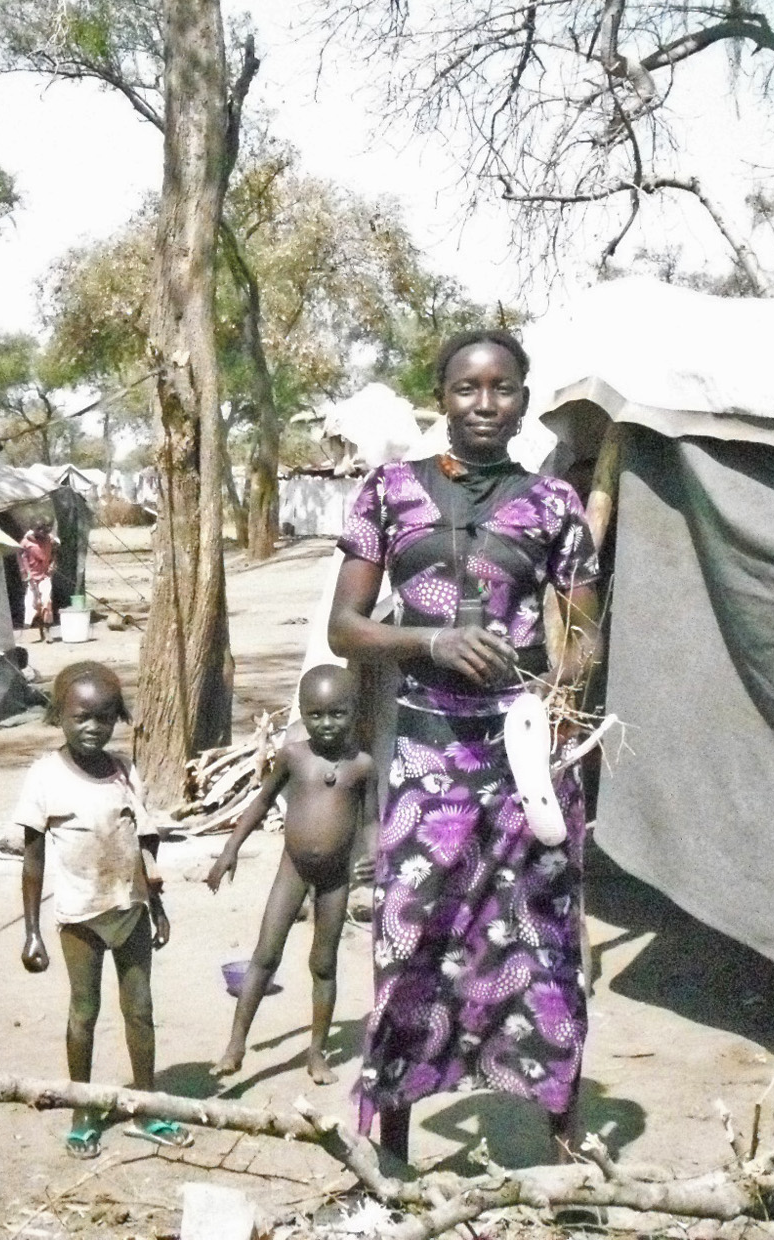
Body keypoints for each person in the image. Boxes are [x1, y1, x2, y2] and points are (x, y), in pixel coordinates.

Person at [327, 328, 600, 1164]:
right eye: (467, 388)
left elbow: (585, 634)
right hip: (426, 759)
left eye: (504, 388)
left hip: (524, 764)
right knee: (412, 942)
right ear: (440, 397)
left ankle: (562, 1157)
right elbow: (345, 628)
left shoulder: (554, 506)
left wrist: (558, 704)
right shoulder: (386, 494)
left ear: (524, 398)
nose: (486, 404)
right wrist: (429, 643)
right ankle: (396, 1157)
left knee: (544, 946)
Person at [13, 661, 190, 1158]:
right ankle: (82, 1109)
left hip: (129, 907)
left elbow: (144, 844)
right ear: (59, 716)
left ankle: (148, 1106)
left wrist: (157, 907)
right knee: (83, 1014)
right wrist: (32, 932)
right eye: (81, 717)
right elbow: (32, 861)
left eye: (105, 718)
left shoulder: (124, 772)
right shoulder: (46, 776)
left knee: (140, 1010)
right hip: (81, 917)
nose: (93, 728)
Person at [205, 664, 375, 1084]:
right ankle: (236, 1044)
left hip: (336, 877)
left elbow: (370, 819)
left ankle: (317, 1054)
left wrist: (376, 853)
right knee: (265, 955)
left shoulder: (362, 766)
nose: (327, 724)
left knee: (324, 963)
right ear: (302, 712)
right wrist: (230, 849)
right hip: (292, 868)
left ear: (355, 712)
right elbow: (262, 803)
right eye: (315, 715)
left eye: (338, 714)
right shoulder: (294, 756)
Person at [19, 522, 60, 641]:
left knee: (46, 601)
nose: (42, 533)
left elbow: (56, 551)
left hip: (45, 576)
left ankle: (47, 631)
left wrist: (53, 564)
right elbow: (21, 558)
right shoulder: (26, 543)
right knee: (31, 605)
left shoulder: (50, 540)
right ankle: (33, 632)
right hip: (31, 578)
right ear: (34, 530)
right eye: (39, 530)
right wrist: (26, 573)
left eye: (44, 530)